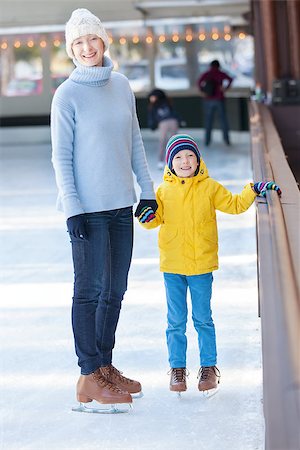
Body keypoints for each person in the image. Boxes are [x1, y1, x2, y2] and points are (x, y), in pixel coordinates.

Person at [51, 8, 157, 412]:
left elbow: (134, 142)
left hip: (119, 205)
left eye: (91, 39)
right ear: (71, 49)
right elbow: (61, 157)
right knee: (89, 291)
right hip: (88, 211)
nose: (86, 47)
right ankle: (88, 374)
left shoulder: (121, 85)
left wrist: (146, 191)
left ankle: (105, 365)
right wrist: (72, 208)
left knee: (115, 291)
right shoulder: (67, 95)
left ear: (103, 41)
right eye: (78, 42)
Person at [137, 134, 281, 395]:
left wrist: (253, 189)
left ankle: (208, 368)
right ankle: (177, 370)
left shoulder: (210, 187)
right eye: (178, 157)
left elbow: (235, 205)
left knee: (203, 319)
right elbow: (152, 221)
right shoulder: (163, 191)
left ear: (198, 159)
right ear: (170, 163)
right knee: (176, 321)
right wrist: (145, 214)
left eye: (190, 155)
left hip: (202, 265)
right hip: (173, 267)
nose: (184, 161)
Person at [198, 60, 233, 147]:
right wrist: (225, 88)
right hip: (219, 99)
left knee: (208, 121)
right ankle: (226, 140)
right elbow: (230, 79)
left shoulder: (207, 73)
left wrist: (203, 91)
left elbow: (199, 83)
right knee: (223, 120)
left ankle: (207, 141)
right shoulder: (220, 73)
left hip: (208, 100)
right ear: (219, 66)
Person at [147, 88, 180, 170]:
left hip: (169, 121)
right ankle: (163, 161)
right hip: (167, 122)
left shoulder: (162, 103)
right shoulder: (158, 104)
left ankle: (171, 161)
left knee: (171, 142)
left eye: (153, 97)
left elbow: (173, 112)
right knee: (167, 142)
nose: (151, 99)